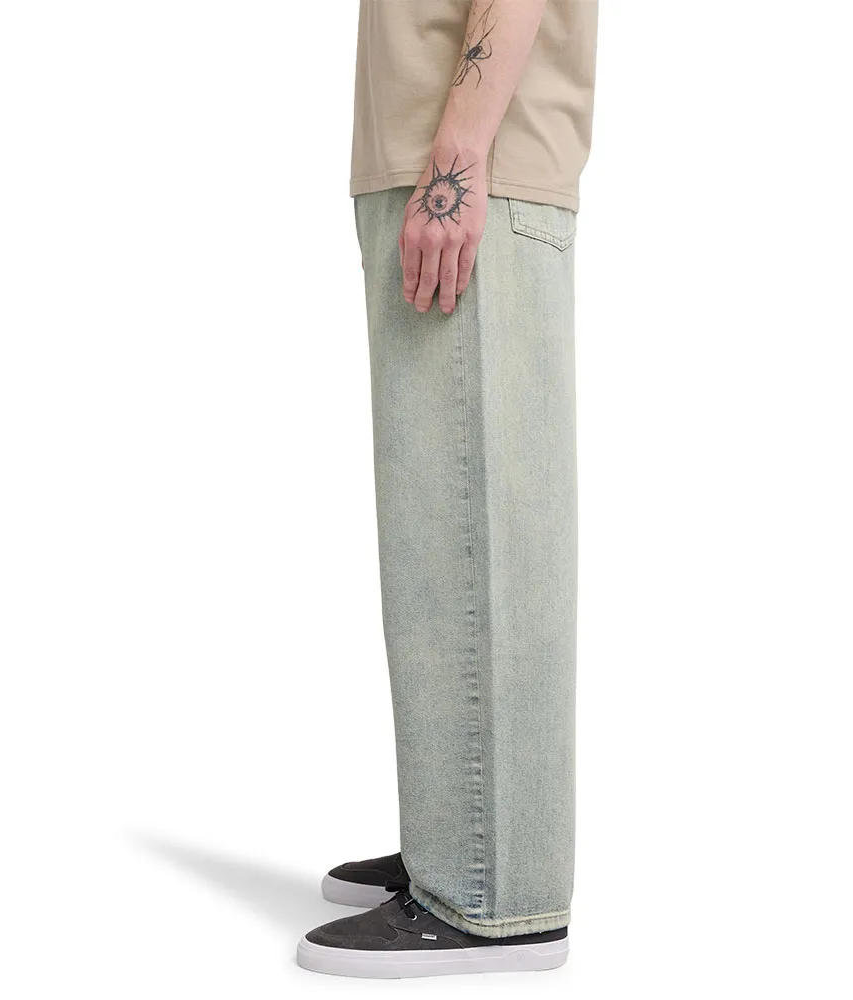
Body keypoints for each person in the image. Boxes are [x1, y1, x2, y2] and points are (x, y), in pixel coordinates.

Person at [296, 0, 598, 979]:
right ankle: (456, 839)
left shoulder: (461, 167)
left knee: (483, 531)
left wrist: (456, 159)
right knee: (440, 535)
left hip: (470, 166)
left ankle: (492, 891)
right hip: (437, 159)